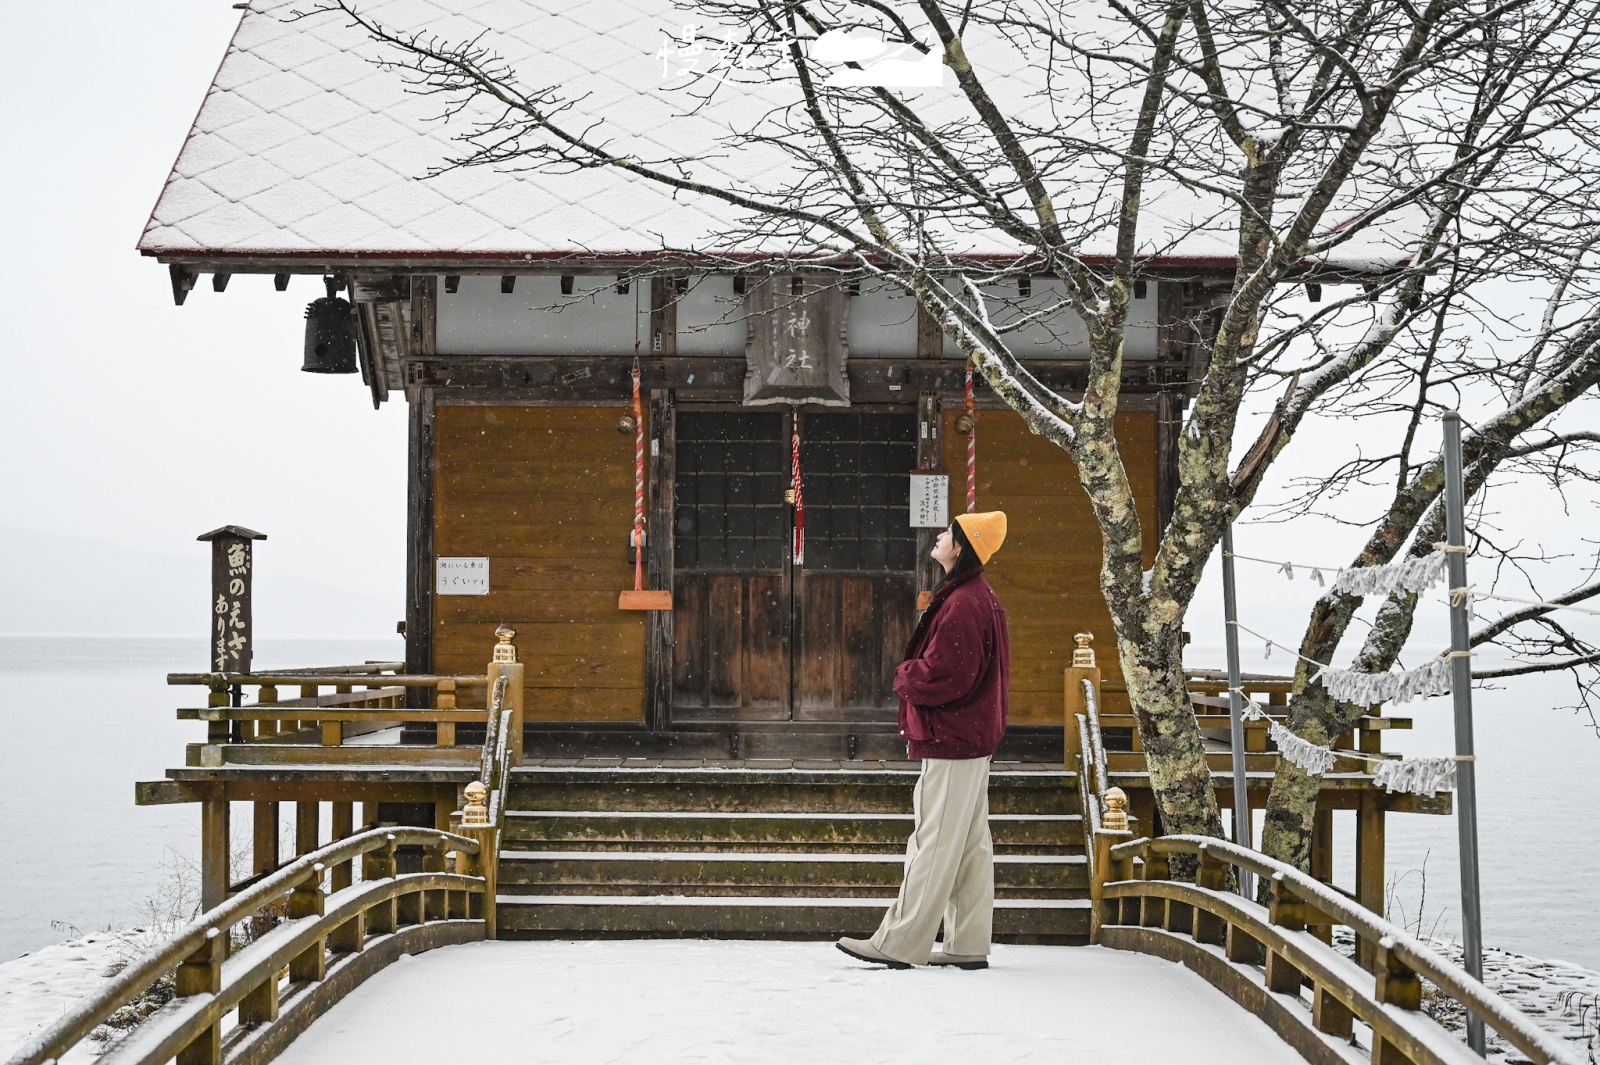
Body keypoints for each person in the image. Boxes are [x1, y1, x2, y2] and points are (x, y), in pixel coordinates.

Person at [837, 510, 1010, 970]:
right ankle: (967, 943)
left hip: (953, 737)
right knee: (971, 844)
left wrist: (904, 675)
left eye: (948, 533)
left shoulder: (963, 603)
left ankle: (899, 942)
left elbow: (946, 675)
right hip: (972, 736)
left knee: (932, 840)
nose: (939, 536)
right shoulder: (978, 597)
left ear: (963, 546)